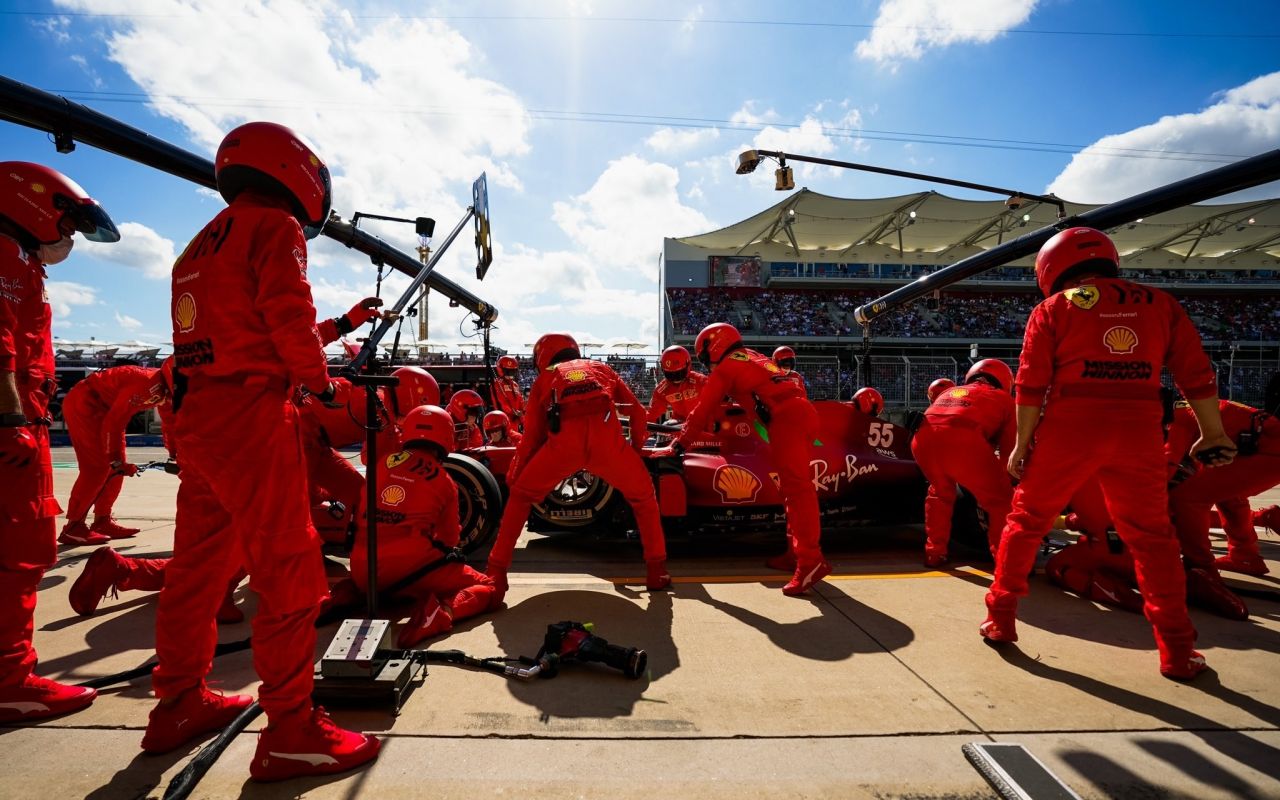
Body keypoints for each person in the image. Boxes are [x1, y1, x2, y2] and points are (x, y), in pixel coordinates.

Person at [144, 122, 379, 780]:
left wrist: (339, 330)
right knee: (290, 572)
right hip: (251, 416)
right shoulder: (275, 227)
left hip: (202, 419)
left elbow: (240, 325)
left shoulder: (195, 246)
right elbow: (286, 313)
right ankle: (290, 729)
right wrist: (320, 382)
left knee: (196, 572)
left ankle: (177, 703)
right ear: (297, 174)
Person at [981, 227, 1234, 681]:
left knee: (1027, 521)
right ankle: (1177, 650)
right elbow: (1196, 374)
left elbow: (1031, 384)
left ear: (1051, 267)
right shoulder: (1162, 305)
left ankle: (1000, 620)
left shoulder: (1053, 309)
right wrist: (1212, 432)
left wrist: (1021, 444)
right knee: (1153, 539)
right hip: (1137, 429)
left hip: (1069, 427)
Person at [0, 161, 119, 722]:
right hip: (15, 428)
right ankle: (9, 678)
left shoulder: (20, 261)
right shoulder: (4, 255)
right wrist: (10, 422)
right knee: (21, 555)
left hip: (29, 418)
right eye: (68, 225)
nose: (70, 237)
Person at [486, 333, 669, 593]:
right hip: (609, 446)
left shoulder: (544, 378)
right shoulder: (601, 368)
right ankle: (657, 571)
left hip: (563, 447)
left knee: (521, 497)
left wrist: (516, 474)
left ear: (542, 356)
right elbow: (637, 412)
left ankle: (496, 572)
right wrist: (635, 450)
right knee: (644, 499)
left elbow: (532, 437)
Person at [677, 323, 831, 595]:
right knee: (791, 491)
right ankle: (794, 554)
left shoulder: (727, 367)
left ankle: (810, 561)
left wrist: (680, 443)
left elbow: (702, 409)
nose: (706, 362)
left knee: (797, 491)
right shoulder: (753, 355)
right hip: (800, 414)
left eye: (704, 356)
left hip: (786, 420)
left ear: (713, 346)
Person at [353, 405, 500, 647]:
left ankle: (347, 594)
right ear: (445, 437)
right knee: (489, 587)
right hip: (409, 570)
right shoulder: (444, 481)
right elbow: (450, 541)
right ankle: (440, 615)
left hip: (362, 570)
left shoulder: (381, 464)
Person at [1164, 392, 1279, 610]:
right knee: (1227, 494)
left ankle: (1200, 569)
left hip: (1268, 452)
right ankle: (1244, 555)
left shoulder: (1179, 420)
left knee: (1187, 499)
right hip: (1265, 447)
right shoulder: (1192, 406)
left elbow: (1168, 466)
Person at [910, 360, 1016, 567]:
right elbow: (1010, 452)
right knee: (1001, 501)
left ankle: (935, 553)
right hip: (963, 441)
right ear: (1005, 381)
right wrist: (1007, 481)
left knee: (939, 494)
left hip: (923, 440)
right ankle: (1005, 561)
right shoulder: (1004, 399)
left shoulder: (950, 391)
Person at [59, 365, 169, 545]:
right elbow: (114, 422)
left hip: (104, 406)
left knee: (117, 470)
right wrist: (115, 459)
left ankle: (102, 521)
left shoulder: (168, 386)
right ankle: (73, 527)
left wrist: (174, 452)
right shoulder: (149, 384)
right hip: (86, 402)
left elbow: (169, 420)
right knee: (97, 468)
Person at [648, 345, 708, 423]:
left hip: (703, 421)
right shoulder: (662, 390)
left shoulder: (700, 380)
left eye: (679, 373)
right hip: (680, 423)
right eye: (670, 374)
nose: (675, 378)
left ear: (688, 365)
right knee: (668, 425)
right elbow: (652, 414)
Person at [489, 355, 525, 426]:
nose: (511, 374)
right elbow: (501, 402)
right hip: (503, 421)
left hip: (516, 420)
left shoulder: (515, 384)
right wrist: (513, 412)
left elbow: (521, 401)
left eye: (513, 371)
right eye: (508, 371)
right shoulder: (497, 384)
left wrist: (522, 416)